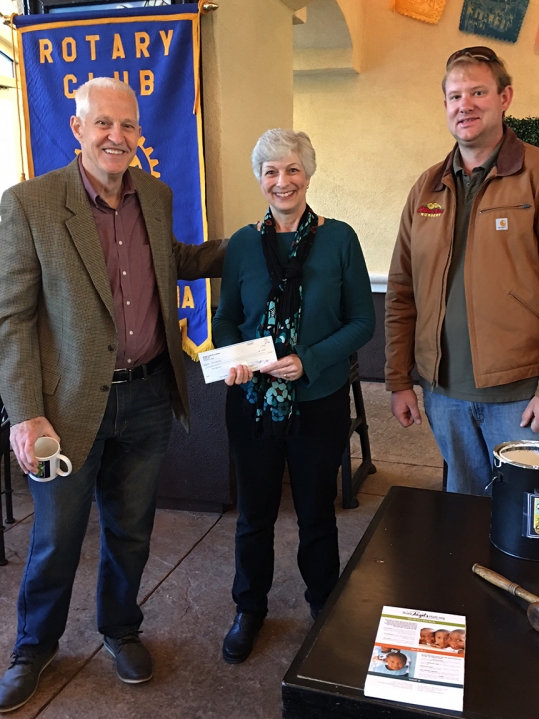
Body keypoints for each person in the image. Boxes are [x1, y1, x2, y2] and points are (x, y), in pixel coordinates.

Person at [0, 77, 227, 712]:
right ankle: (34, 648)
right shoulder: (29, 205)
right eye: (102, 124)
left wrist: (247, 249)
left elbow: (171, 258)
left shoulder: (154, 194)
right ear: (77, 130)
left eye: (127, 127)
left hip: (150, 396)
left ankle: (121, 630)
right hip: (66, 409)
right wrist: (24, 412)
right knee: (57, 539)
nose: (115, 137)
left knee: (131, 530)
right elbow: (10, 319)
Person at [385, 46, 539, 495]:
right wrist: (399, 380)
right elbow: (402, 290)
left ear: (505, 98)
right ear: (444, 106)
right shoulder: (427, 187)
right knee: (464, 513)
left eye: (478, 92)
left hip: (521, 398)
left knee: (531, 520)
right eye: (455, 95)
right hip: (444, 395)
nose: (465, 104)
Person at [213, 128, 375, 664]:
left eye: (291, 170)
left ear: (308, 173)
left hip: (318, 400)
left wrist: (309, 359)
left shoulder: (339, 238)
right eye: (270, 171)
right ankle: (249, 608)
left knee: (315, 514)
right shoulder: (241, 243)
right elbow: (227, 319)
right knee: (254, 515)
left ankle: (323, 603)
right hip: (253, 405)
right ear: (260, 179)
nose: (281, 181)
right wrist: (235, 356)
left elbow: (361, 321)